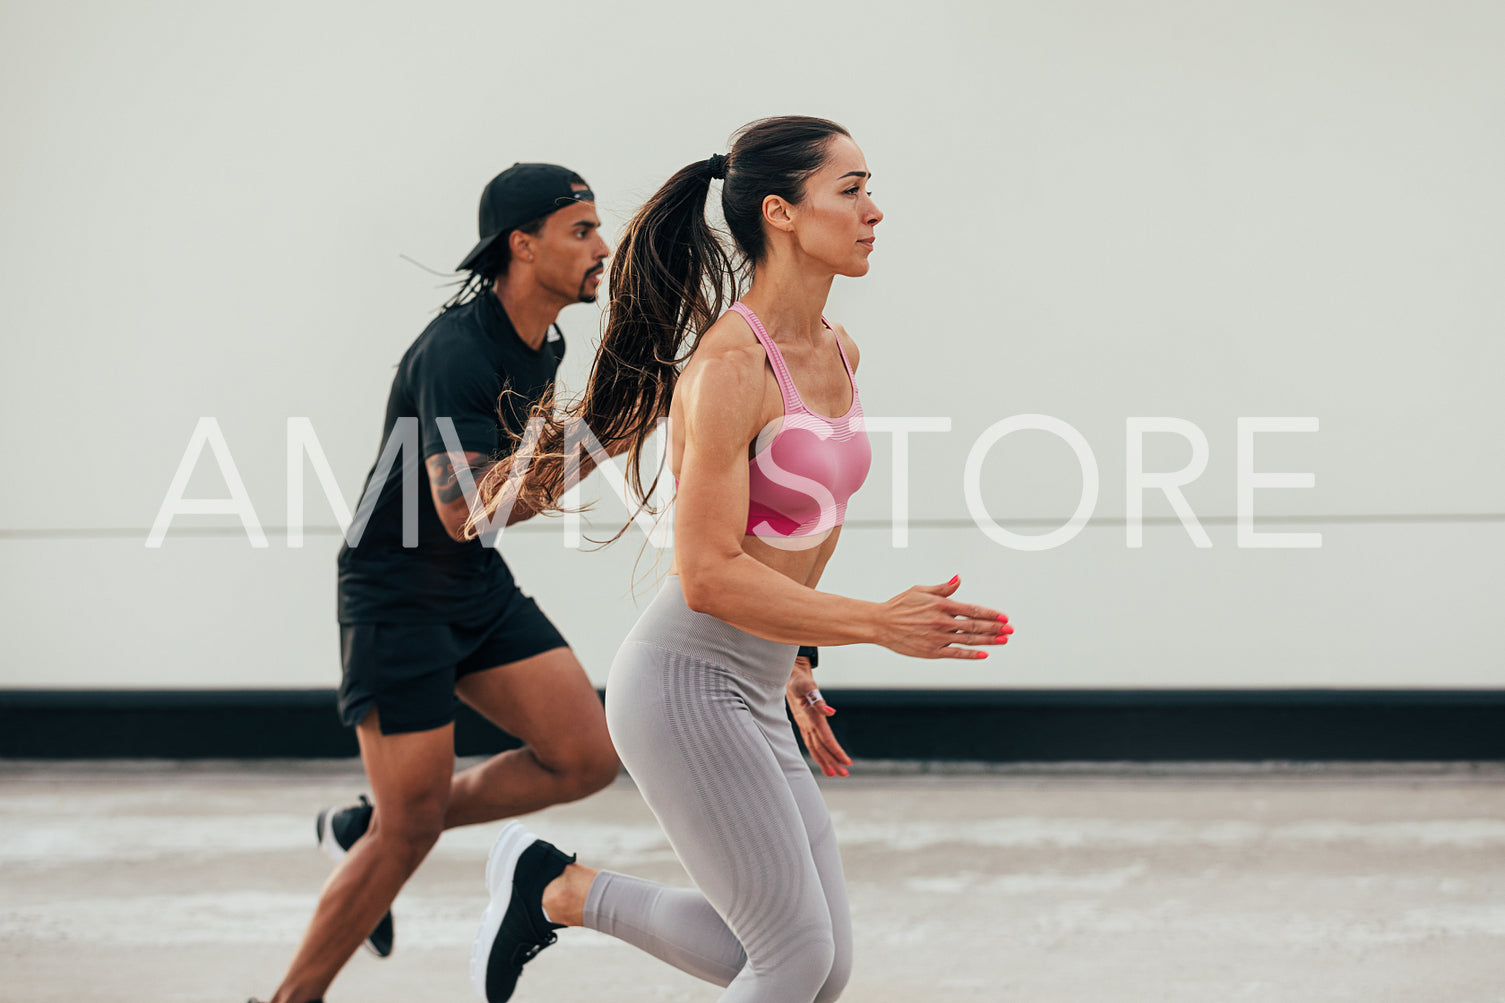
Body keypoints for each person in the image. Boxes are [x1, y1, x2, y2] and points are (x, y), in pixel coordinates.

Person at [466, 118, 1013, 1003]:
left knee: (816, 962)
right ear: (781, 212)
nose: (875, 210)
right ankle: (549, 886)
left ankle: (555, 889)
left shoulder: (837, 351)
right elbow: (711, 572)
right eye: (851, 189)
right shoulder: (727, 367)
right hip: (683, 683)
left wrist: (795, 653)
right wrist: (877, 622)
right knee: (792, 958)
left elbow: (811, 524)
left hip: (752, 683)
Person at [250, 163, 624, 1003]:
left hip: (471, 584)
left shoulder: (546, 341)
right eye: (581, 230)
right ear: (520, 246)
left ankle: (361, 824)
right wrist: (605, 435)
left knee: (585, 756)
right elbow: (468, 509)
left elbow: (497, 501)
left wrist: (598, 432)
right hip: (396, 594)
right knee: (406, 833)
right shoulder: (456, 351)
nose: (602, 247)